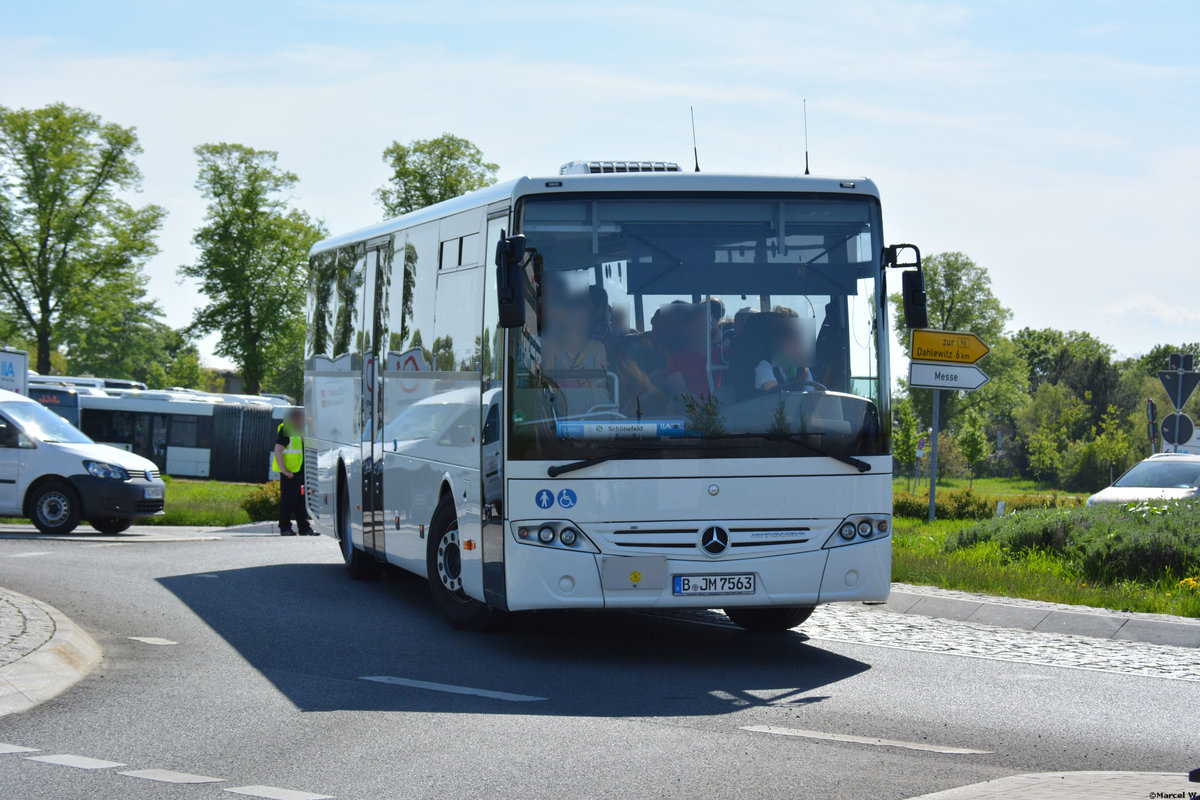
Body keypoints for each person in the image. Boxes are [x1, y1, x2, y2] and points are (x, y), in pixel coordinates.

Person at [273, 407, 315, 536]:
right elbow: (278, 450)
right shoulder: (287, 430)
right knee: (288, 501)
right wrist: (284, 471)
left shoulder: (298, 431)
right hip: (290, 473)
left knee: (300, 502)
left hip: (300, 472)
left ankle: (304, 528)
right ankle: (285, 528)